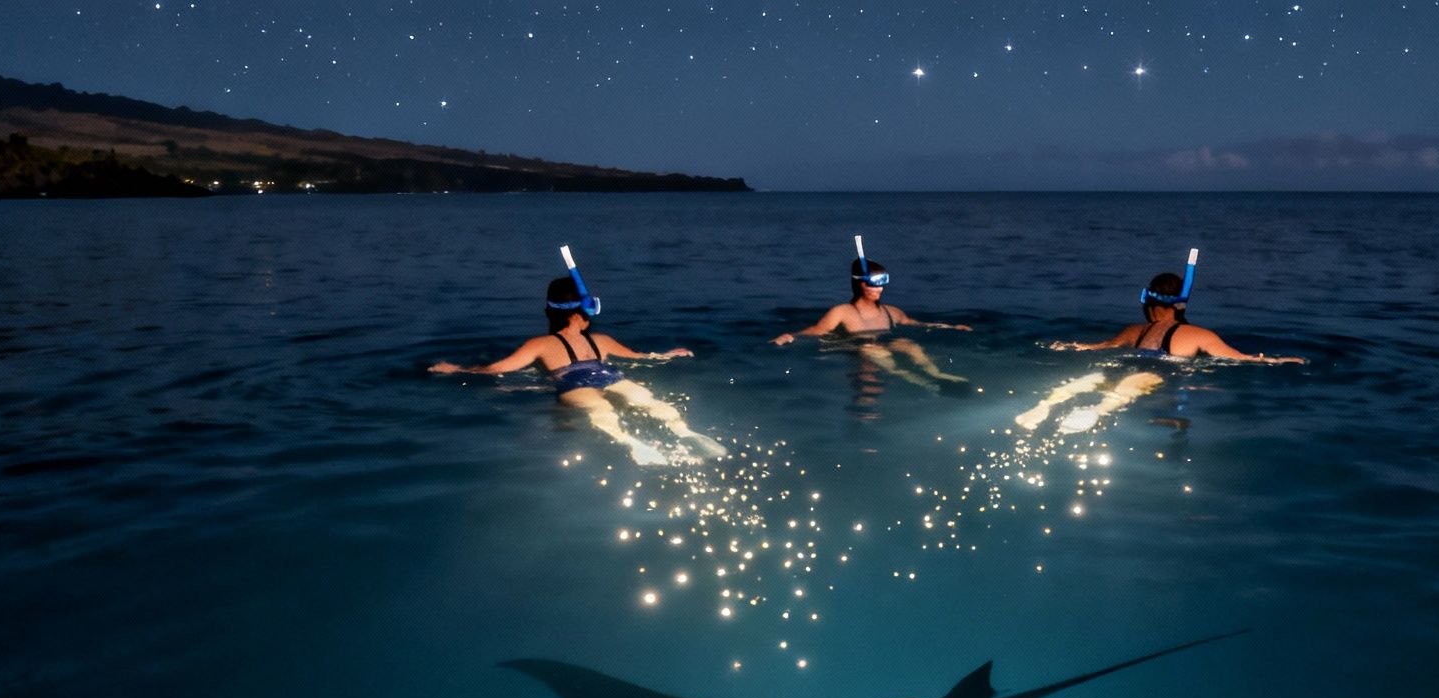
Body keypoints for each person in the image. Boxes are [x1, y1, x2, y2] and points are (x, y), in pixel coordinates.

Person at [431, 277, 726, 465]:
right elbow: (641, 358)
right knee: (646, 400)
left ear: (549, 312)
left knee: (600, 411)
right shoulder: (601, 340)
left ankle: (632, 443)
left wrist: (457, 369)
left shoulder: (541, 344)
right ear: (582, 314)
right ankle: (685, 432)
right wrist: (667, 355)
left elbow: (495, 370)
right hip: (610, 376)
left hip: (574, 384)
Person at [1020, 267, 1305, 434]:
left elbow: (1096, 348)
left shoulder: (1134, 331)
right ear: (1180, 304)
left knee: (1088, 382)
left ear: (1148, 301)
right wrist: (1279, 360)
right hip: (1160, 370)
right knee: (1127, 391)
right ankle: (1098, 410)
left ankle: (1045, 405)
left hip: (1123, 363)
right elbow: (1240, 359)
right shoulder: (1197, 335)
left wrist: (1066, 346)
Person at [772, 258, 972, 385]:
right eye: (874, 283)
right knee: (873, 350)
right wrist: (792, 336)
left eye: (883, 282)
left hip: (885, 341)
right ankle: (924, 383)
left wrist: (951, 327)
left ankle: (937, 375)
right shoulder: (843, 312)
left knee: (908, 345)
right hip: (862, 350)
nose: (880, 288)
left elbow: (916, 323)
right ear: (859, 283)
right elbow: (818, 330)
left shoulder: (890, 312)